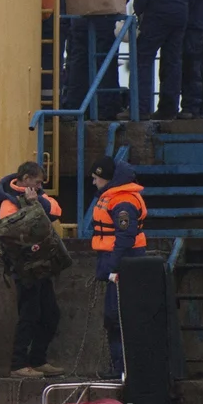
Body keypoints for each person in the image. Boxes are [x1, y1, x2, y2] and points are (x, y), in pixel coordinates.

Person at [0, 162, 64, 379]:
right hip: (24, 267)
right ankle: (18, 363)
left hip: (42, 264)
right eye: (37, 181)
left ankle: (38, 359)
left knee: (51, 314)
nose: (40, 184)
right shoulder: (8, 202)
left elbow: (55, 211)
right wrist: (33, 206)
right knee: (29, 314)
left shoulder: (39, 196)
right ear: (25, 178)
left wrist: (37, 201)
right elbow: (17, 231)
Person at [87, 155, 147, 378]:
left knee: (118, 316)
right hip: (114, 262)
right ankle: (118, 366)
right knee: (112, 317)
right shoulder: (110, 197)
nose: (94, 183)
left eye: (96, 178)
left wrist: (112, 266)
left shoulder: (123, 201)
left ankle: (123, 368)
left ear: (106, 178)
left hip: (124, 263)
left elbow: (125, 236)